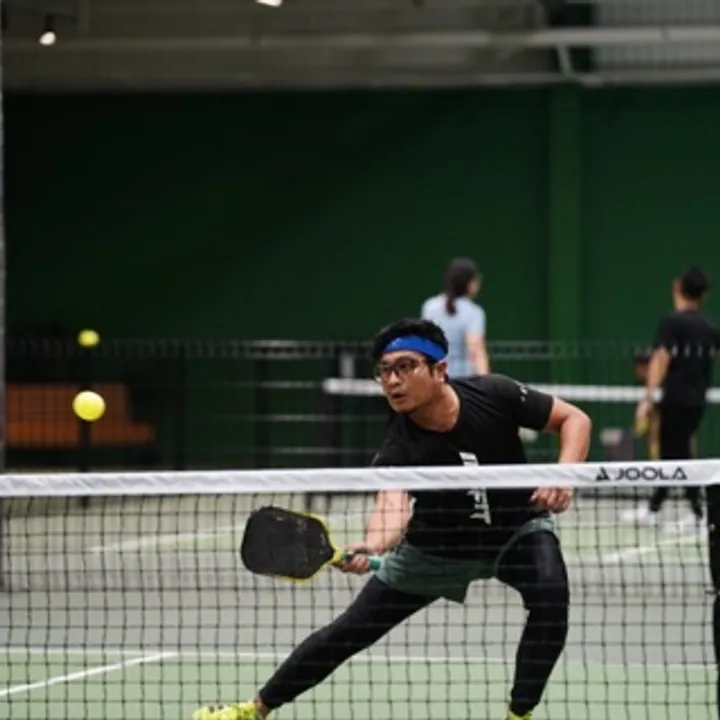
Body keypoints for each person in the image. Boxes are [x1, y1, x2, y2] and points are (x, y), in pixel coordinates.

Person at [193, 318, 592, 720]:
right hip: (436, 551)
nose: (393, 381)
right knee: (349, 631)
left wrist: (562, 475)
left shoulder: (494, 393)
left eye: (405, 367)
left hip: (516, 531)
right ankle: (255, 709)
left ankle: (519, 715)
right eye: (384, 371)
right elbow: (392, 507)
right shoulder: (398, 448)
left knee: (551, 595)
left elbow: (574, 420)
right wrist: (373, 543)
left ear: (439, 370)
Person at [628, 267, 720, 530]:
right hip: (697, 401)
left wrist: (647, 398)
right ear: (704, 295)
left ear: (677, 288)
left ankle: (697, 513)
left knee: (677, 454)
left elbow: (661, 359)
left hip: (675, 398)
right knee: (674, 453)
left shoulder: (672, 323)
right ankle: (657, 508)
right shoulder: (710, 328)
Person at [421, 257, 490, 377]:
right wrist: (486, 382)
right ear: (470, 283)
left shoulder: (429, 306)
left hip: (435, 377)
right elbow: (475, 351)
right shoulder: (474, 312)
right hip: (462, 380)